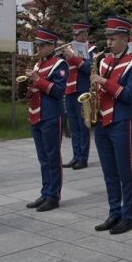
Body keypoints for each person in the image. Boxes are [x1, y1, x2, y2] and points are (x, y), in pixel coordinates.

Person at [92, 16, 132, 235]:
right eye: (108, 39)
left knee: (125, 172)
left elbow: (130, 95)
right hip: (101, 120)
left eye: (113, 39)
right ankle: (114, 212)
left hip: (121, 122)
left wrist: (104, 82)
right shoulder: (104, 61)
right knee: (109, 172)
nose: (108, 43)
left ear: (125, 39)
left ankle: (128, 215)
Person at [24, 27, 69, 212]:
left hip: (50, 114)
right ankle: (45, 192)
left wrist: (37, 80)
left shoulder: (60, 65)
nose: (39, 48)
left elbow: (59, 91)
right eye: (38, 45)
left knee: (52, 157)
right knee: (43, 158)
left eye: (42, 45)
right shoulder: (38, 65)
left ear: (51, 45)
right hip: (36, 113)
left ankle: (53, 196)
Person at [62, 23, 96, 170]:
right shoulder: (70, 50)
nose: (74, 37)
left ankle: (83, 158)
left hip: (82, 92)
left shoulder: (91, 50)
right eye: (73, 34)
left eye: (77, 35)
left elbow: (89, 68)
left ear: (85, 35)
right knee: (73, 126)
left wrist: (73, 57)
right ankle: (76, 156)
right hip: (69, 91)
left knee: (83, 126)